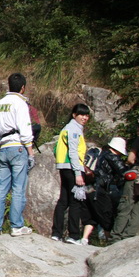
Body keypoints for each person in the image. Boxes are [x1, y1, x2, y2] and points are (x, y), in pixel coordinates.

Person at [0, 73, 35, 237]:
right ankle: (16, 226)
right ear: (23, 87)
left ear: (9, 85)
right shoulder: (20, 103)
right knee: (18, 189)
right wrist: (31, 152)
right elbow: (25, 129)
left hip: (3, 148)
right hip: (18, 148)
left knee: (1, 188)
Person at [51, 104, 92, 244]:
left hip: (64, 167)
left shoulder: (67, 128)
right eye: (82, 114)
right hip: (73, 168)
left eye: (87, 115)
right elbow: (73, 152)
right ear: (74, 115)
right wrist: (78, 173)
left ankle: (56, 233)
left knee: (63, 200)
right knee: (76, 202)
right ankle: (73, 235)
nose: (85, 118)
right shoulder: (73, 129)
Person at [81, 137, 128, 244]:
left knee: (91, 215)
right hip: (100, 189)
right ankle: (108, 242)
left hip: (89, 187)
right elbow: (122, 170)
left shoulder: (100, 154)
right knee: (107, 216)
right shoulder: (111, 156)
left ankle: (84, 238)